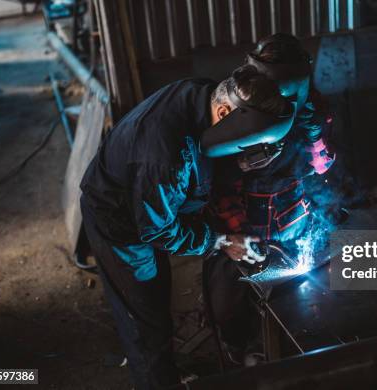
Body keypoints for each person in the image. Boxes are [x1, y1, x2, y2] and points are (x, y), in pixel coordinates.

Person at [79, 65, 294, 389]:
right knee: (146, 318)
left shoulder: (205, 94)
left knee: (159, 291)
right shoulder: (165, 156)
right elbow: (158, 231)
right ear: (225, 111)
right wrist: (220, 241)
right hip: (119, 220)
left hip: (153, 198)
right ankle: (157, 380)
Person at [206, 33, 336, 363]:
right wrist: (236, 229)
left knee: (300, 292)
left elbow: (316, 147)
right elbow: (219, 178)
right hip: (244, 210)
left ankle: (293, 346)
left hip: (291, 210)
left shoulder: (309, 106)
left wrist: (318, 147)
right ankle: (242, 349)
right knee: (231, 302)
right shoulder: (240, 105)